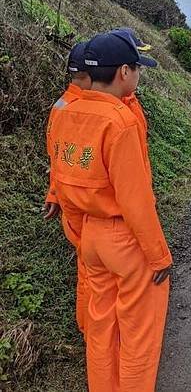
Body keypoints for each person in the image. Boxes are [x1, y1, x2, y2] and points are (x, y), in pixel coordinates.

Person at [47, 32, 172, 391]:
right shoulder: (119, 120)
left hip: (91, 235)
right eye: (137, 69)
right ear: (123, 72)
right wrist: (159, 255)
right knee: (138, 336)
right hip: (125, 238)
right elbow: (136, 201)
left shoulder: (68, 109)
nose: (139, 76)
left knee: (101, 332)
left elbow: (60, 167)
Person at [44, 42, 91, 334]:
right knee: (92, 274)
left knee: (87, 270)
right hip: (87, 205)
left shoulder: (61, 104)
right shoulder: (85, 109)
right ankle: (93, 330)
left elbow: (57, 155)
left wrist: (53, 192)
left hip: (68, 201)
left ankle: (89, 328)